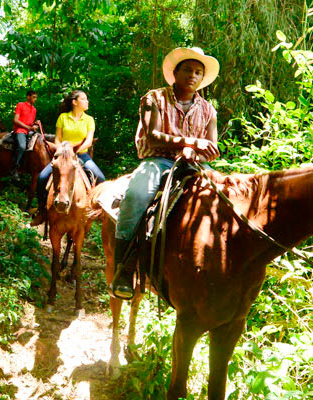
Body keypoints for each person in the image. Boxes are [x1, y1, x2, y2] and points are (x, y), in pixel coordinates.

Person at [110, 47, 221, 300]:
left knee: (222, 195)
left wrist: (197, 153)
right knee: (136, 197)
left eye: (198, 72)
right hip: (158, 161)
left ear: (202, 78)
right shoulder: (154, 98)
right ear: (175, 73)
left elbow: (211, 147)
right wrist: (191, 143)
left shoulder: (208, 110)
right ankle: (124, 270)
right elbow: (153, 135)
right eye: (187, 70)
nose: (193, 75)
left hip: (194, 164)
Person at [31, 90, 105, 226]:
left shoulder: (89, 120)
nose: (87, 101)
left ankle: (95, 213)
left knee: (101, 178)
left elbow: (88, 140)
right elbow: (58, 138)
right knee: (42, 178)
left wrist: (75, 149)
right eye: (83, 99)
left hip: (81, 154)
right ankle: (42, 211)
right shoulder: (63, 117)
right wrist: (62, 150)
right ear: (74, 102)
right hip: (63, 155)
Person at [12, 90, 41, 179]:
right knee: (22, 146)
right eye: (33, 97)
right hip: (20, 130)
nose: (35, 99)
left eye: (36, 97)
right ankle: (14, 167)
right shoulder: (21, 105)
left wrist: (35, 124)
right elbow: (15, 120)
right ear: (28, 97)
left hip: (29, 131)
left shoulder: (34, 109)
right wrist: (28, 128)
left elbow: (30, 123)